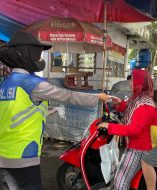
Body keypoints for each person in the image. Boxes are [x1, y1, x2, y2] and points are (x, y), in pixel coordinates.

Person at [0, 31, 110, 190]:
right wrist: (98, 97)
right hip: (22, 156)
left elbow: (20, 112)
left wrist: (50, 111)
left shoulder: (6, 84)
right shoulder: (32, 83)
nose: (40, 58)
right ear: (28, 54)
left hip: (3, 154)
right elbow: (68, 96)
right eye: (38, 54)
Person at [98, 69, 156, 190]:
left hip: (139, 149)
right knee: (119, 176)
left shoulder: (145, 104)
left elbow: (134, 130)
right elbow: (126, 105)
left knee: (120, 181)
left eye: (133, 80)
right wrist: (116, 102)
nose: (130, 82)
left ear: (140, 82)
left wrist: (109, 127)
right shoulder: (137, 98)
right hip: (134, 145)